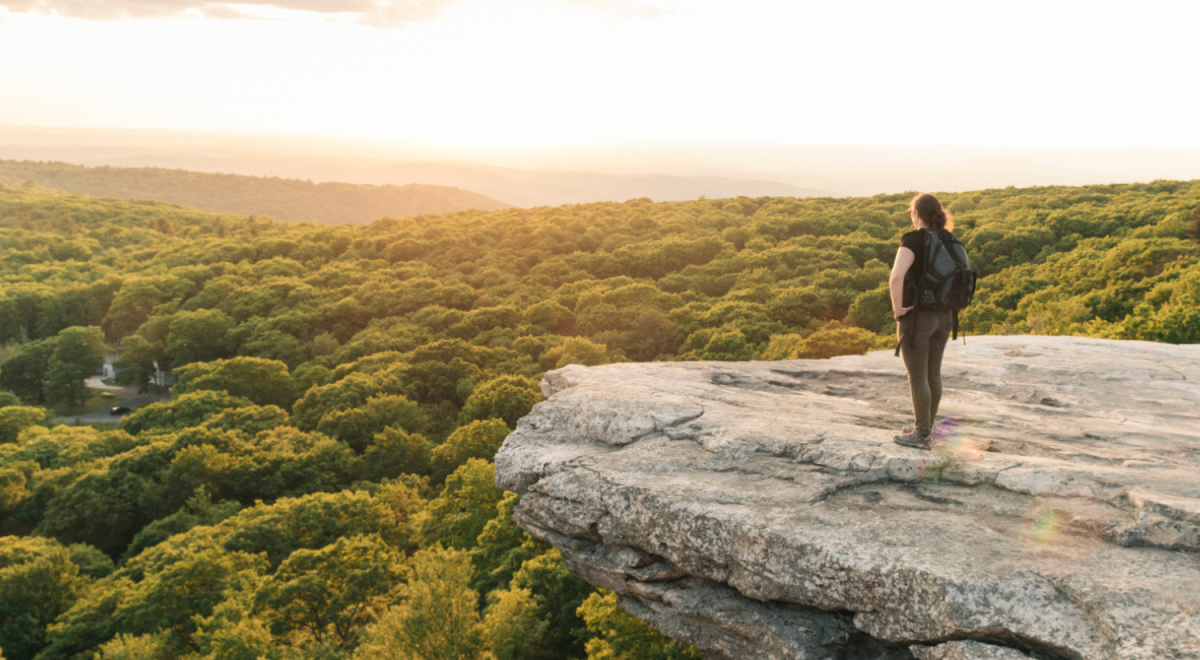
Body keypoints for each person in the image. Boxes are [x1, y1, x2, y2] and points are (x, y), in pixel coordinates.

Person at [889, 193, 956, 449]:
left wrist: (898, 310)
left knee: (917, 377)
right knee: (933, 374)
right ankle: (927, 426)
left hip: (917, 318)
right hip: (945, 317)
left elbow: (897, 277)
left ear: (916, 213)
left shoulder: (913, 240)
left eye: (910, 210)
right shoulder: (949, 238)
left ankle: (922, 433)